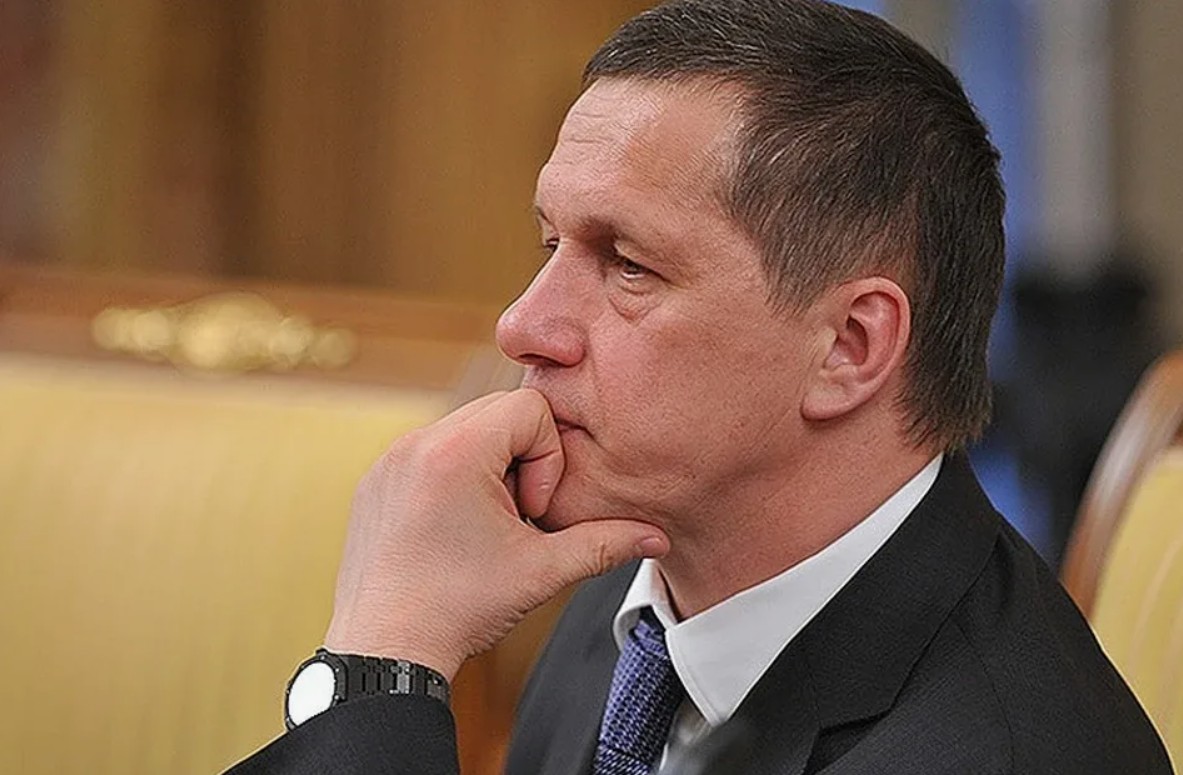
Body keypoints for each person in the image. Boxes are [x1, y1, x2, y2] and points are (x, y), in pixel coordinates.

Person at [228, 1, 1172, 773]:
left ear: (848, 346)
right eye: (550, 244)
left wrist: (382, 658)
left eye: (628, 264)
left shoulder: (996, 751)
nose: (522, 325)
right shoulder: (638, 597)